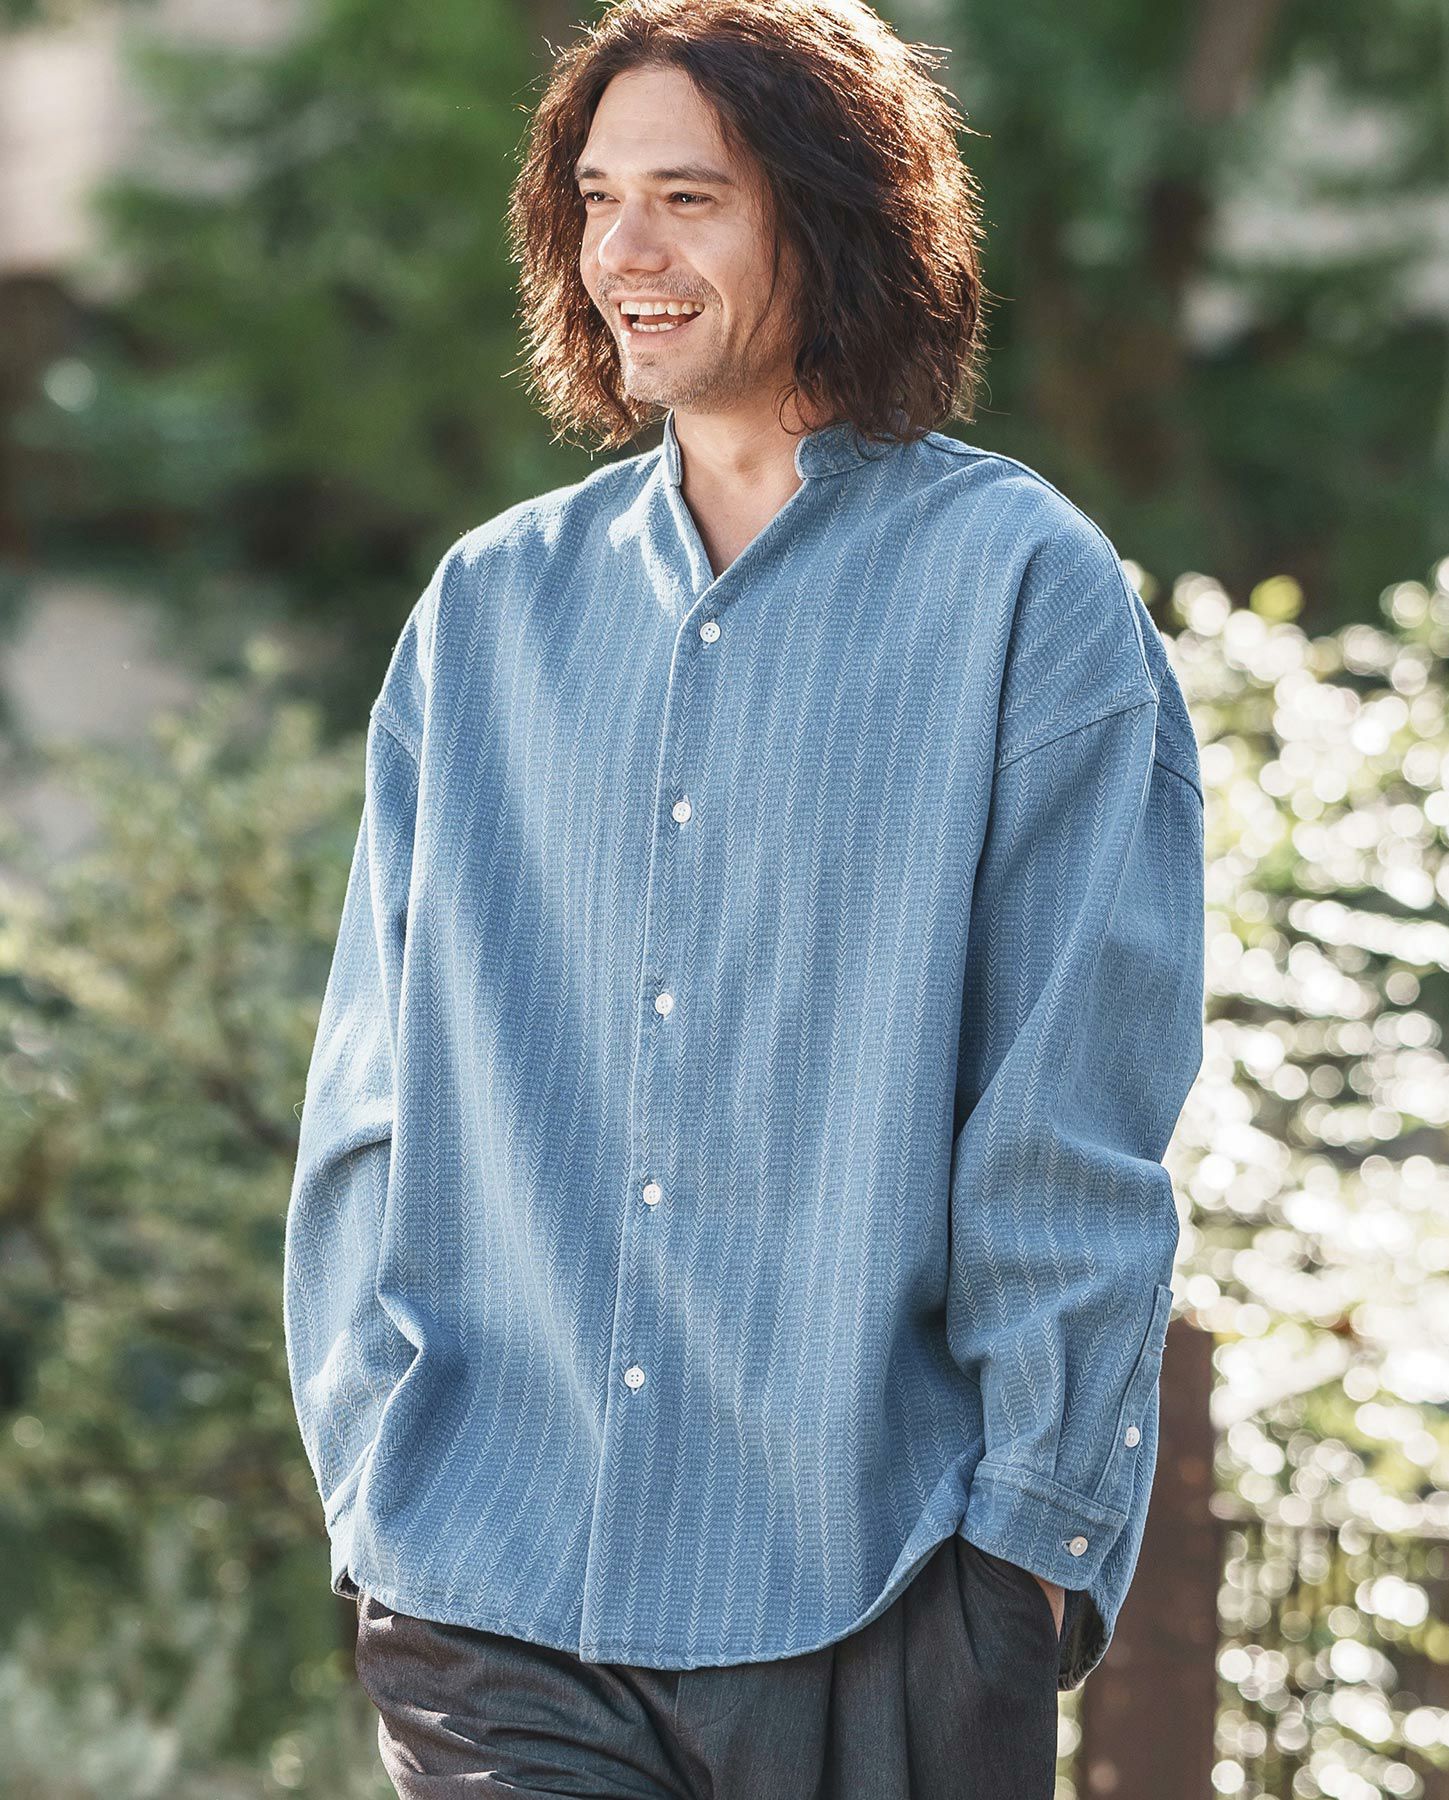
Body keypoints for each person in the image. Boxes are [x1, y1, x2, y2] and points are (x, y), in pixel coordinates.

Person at [281, 1, 1206, 1794]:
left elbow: (1074, 1111)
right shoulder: (488, 615)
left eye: (688, 198)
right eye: (596, 198)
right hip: (493, 1583)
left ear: (834, 219)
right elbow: (369, 1097)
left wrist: (1024, 1557)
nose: (623, 252)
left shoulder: (1024, 594)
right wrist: (375, 1466)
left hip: (885, 1587)